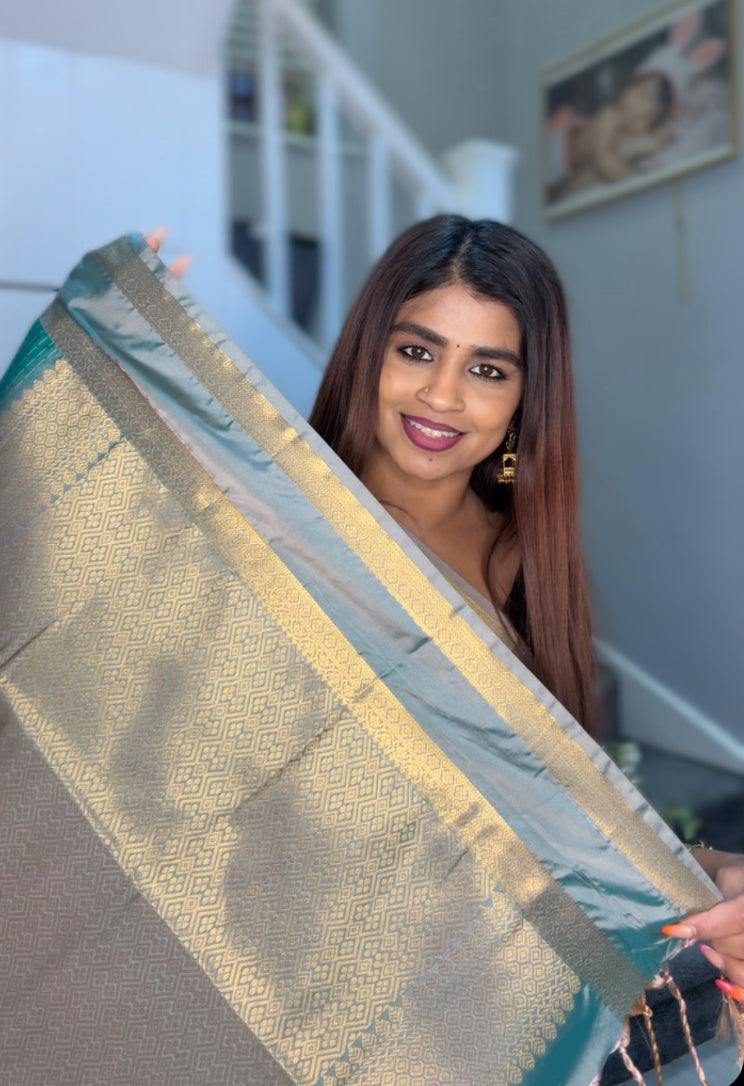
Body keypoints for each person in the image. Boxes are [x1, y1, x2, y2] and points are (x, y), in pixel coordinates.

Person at [305, 214, 744, 999]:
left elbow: (557, 805)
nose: (442, 395)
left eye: (488, 370)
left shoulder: (519, 561)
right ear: (368, 353)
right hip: (299, 953)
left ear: (523, 398)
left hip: (462, 979)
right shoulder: (277, 518)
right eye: (416, 352)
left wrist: (711, 876)